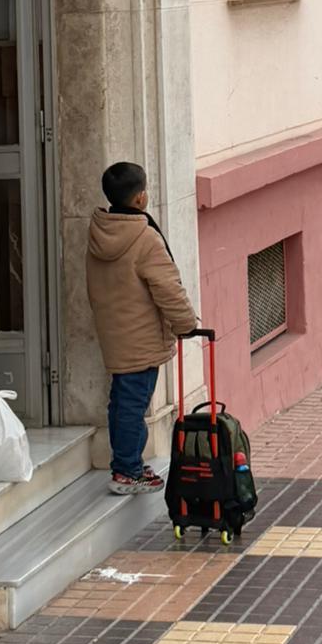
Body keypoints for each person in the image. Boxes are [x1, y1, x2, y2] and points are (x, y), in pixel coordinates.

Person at [87, 161, 198, 496]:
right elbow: (167, 287)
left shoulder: (100, 229)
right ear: (139, 199)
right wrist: (186, 324)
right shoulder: (143, 236)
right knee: (133, 404)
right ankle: (127, 470)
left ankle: (126, 462)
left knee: (122, 401)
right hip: (141, 334)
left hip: (115, 331)